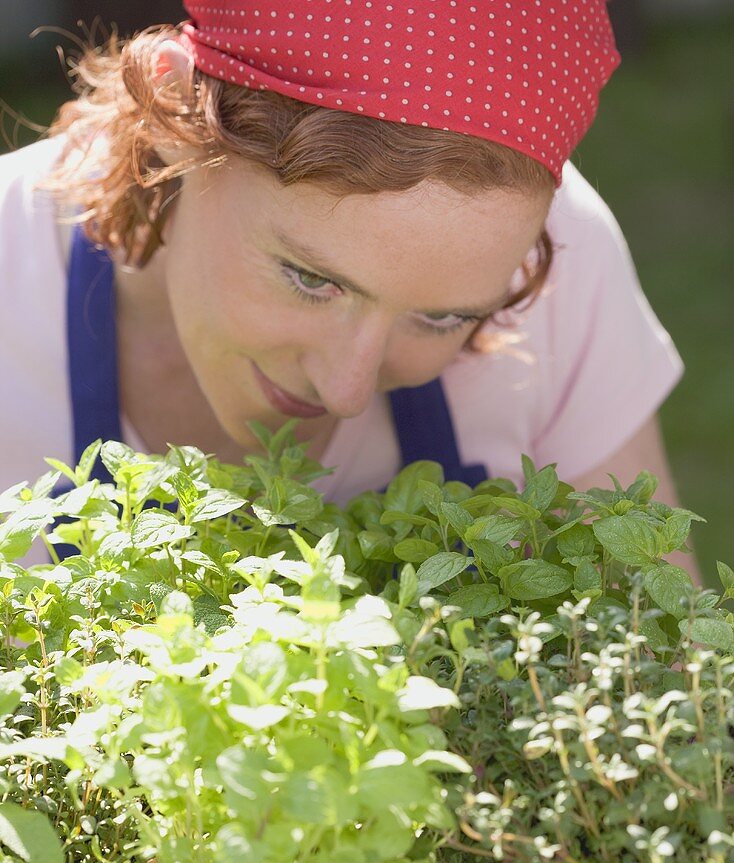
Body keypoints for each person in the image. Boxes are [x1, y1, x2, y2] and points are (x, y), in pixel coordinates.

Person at [0, 1, 689, 569]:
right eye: (310, 278)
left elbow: (670, 664)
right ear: (178, 112)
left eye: (445, 319)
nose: (346, 389)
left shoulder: (561, 256)